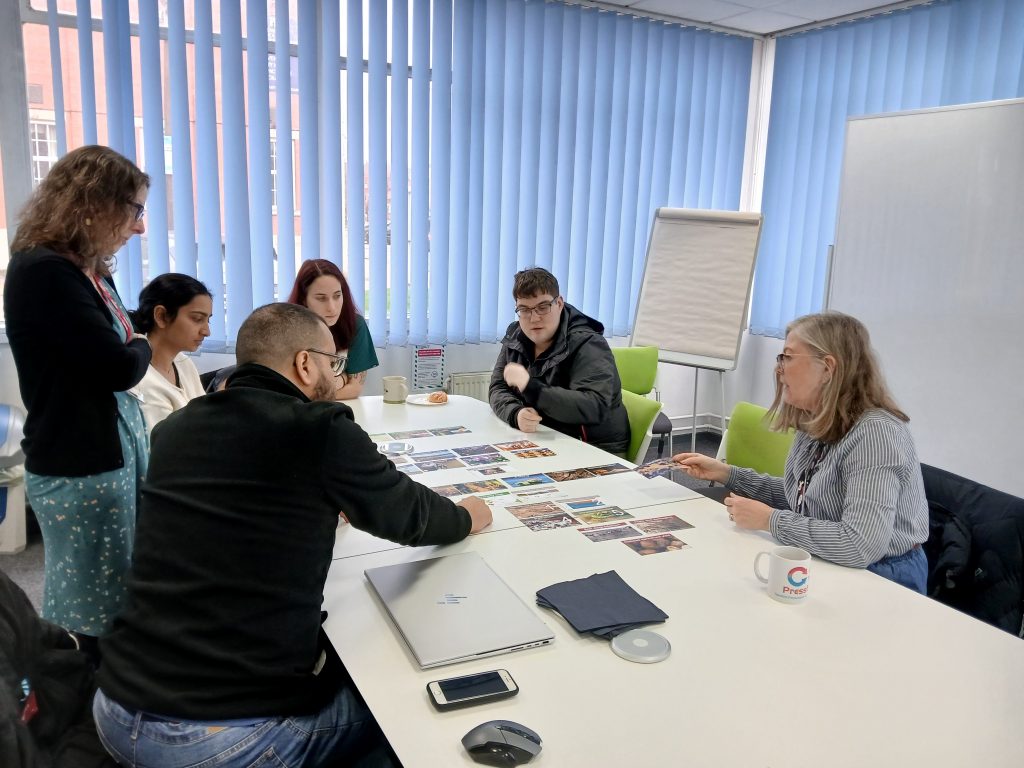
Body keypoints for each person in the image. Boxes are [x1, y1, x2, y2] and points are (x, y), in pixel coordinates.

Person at [93, 303, 492, 768]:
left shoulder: (174, 429)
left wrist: (310, 502)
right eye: (333, 363)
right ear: (305, 363)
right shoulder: (319, 428)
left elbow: (235, 501)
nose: (337, 375)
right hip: (214, 740)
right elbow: (409, 515)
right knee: (401, 704)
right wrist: (466, 516)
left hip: (115, 705)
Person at [4, 145, 152, 660]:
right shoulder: (45, 272)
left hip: (109, 451)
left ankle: (110, 696)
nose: (139, 226)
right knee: (91, 604)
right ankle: (83, 709)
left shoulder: (88, 268)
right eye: (134, 209)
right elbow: (118, 363)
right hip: (80, 463)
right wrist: (143, 343)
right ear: (93, 202)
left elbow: (122, 343)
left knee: (116, 589)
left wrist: (134, 343)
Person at [673, 312, 930, 592]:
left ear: (827, 368)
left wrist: (770, 520)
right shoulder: (816, 419)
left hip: (883, 577)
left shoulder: (876, 432)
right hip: (831, 557)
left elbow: (859, 544)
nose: (779, 368)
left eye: (788, 357)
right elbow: (803, 499)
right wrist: (727, 474)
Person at [488, 267, 630, 455]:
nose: (534, 317)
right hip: (544, 438)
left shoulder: (588, 343)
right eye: (524, 309)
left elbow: (593, 407)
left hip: (593, 448)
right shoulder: (516, 335)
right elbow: (497, 387)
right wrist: (515, 413)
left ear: (559, 304)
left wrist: (531, 387)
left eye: (543, 307)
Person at [129, 273, 212, 433]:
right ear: (161, 316)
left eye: (208, 320)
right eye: (197, 319)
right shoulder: (141, 380)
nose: (206, 331)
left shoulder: (183, 362)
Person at [287, 259, 378, 399]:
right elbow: (288, 387)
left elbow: (354, 389)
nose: (332, 307)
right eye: (321, 299)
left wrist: (315, 393)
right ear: (304, 299)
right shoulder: (287, 327)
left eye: (337, 296)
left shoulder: (355, 324)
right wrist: (341, 378)